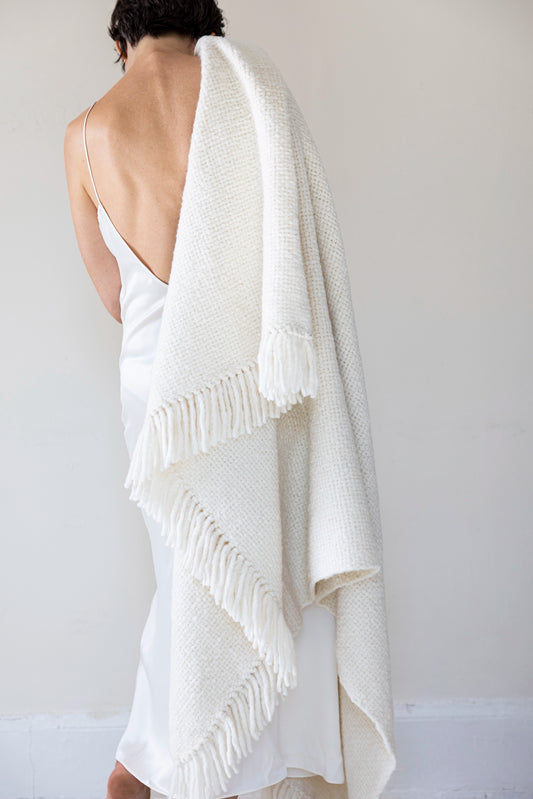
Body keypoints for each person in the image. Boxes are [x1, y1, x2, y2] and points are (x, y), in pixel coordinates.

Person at [63, 3, 347, 799]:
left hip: (161, 388)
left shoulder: (84, 132)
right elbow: (295, 245)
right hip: (256, 367)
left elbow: (118, 298)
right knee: (264, 556)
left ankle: (158, 760)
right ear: (206, 27)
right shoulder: (249, 89)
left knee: (190, 572)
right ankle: (210, 759)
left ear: (120, 41)